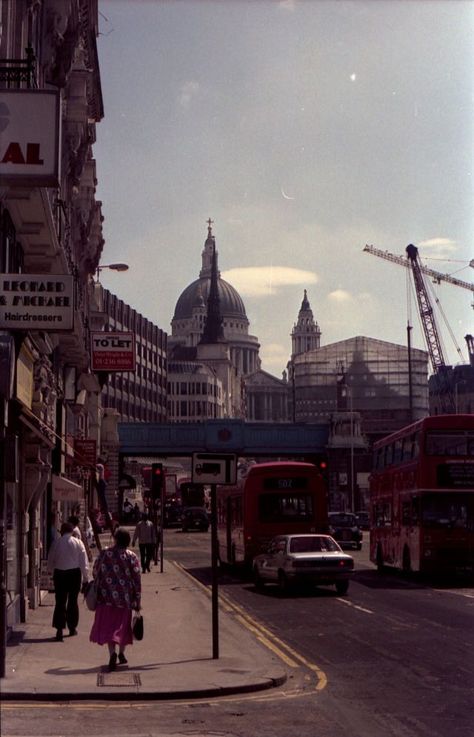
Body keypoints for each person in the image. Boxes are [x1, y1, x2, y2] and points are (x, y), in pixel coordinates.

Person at [89, 527, 141, 671]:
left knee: (110, 628)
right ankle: (121, 654)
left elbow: (95, 571)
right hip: (125, 599)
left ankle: (112, 653)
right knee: (122, 627)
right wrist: (137, 600)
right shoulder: (132, 557)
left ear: (116, 539)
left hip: (106, 598)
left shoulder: (105, 554)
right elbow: (137, 580)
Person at [47, 521, 90, 641]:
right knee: (72, 601)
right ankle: (72, 627)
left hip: (60, 573)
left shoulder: (56, 543)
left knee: (60, 601)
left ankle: (59, 629)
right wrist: (86, 578)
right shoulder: (78, 543)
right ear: (72, 531)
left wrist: (50, 571)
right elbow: (83, 562)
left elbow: (51, 558)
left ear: (61, 531)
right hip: (74, 574)